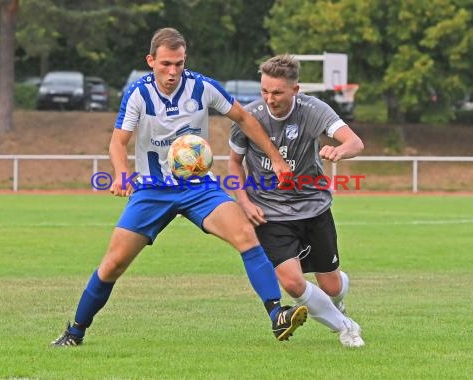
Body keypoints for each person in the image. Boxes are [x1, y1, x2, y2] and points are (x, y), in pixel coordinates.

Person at [51, 28, 308, 347]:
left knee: (245, 234)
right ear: (151, 61)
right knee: (114, 263)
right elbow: (118, 142)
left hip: (199, 186)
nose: (173, 72)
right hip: (152, 189)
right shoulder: (138, 93)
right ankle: (75, 332)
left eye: (179, 64)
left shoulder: (202, 87)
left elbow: (244, 118)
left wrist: (277, 159)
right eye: (166, 64)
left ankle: (276, 315)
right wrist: (121, 173)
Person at [228, 54, 365, 347]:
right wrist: (244, 202)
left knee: (332, 286)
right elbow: (234, 165)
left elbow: (355, 142)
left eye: (277, 92)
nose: (270, 98)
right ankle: (346, 327)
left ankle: (337, 299)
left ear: (295, 89)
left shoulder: (313, 110)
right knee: (292, 282)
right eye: (264, 91)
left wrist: (340, 151)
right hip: (269, 212)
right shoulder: (248, 117)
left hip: (314, 207)